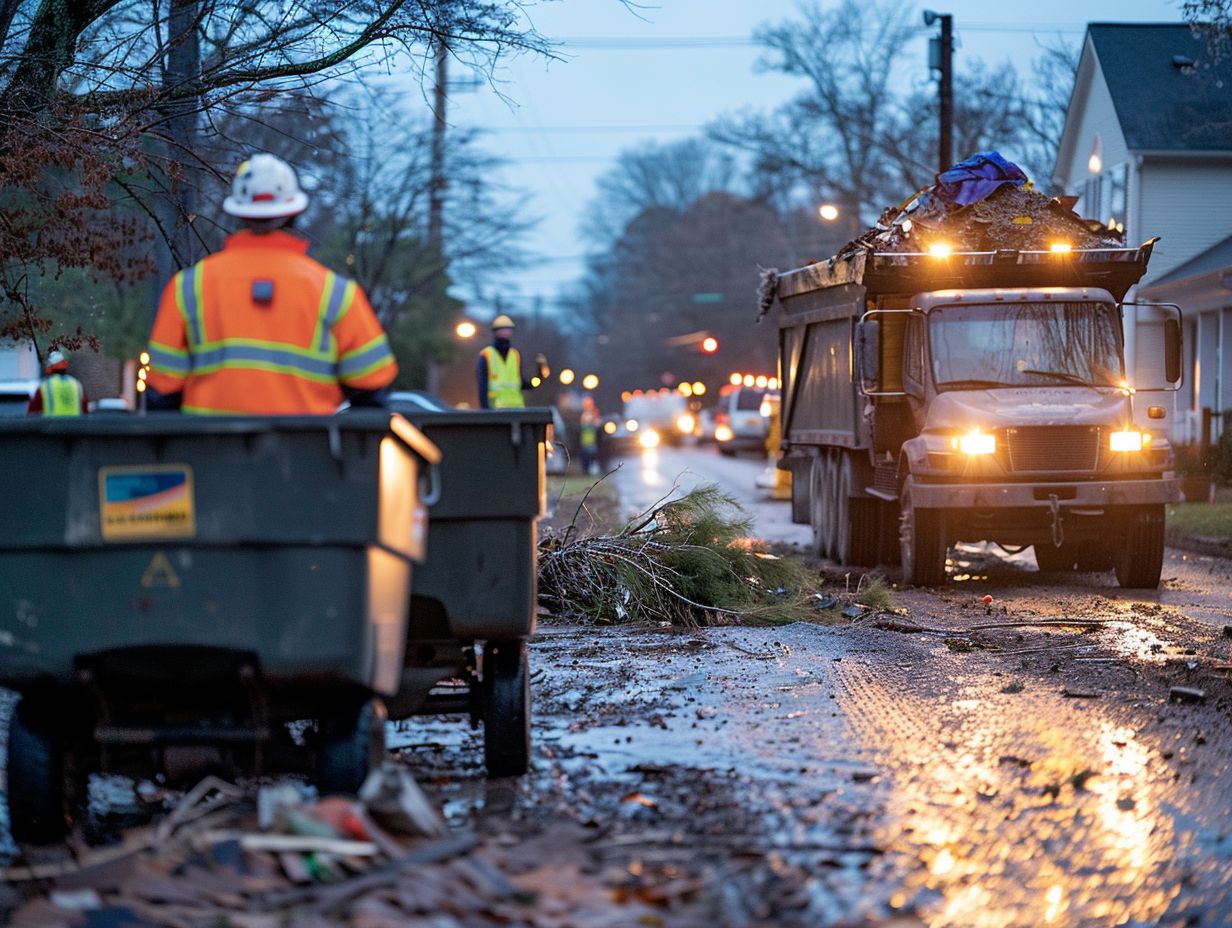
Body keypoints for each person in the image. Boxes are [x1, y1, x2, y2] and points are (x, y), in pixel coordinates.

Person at [145, 153, 397, 414]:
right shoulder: (337, 293)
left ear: (238, 213)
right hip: (308, 452)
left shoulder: (188, 288)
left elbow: (162, 393)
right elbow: (372, 392)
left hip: (209, 450)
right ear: (295, 213)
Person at [476, 315, 549, 409]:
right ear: (496, 331)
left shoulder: (515, 355)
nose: (506, 332)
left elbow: (524, 384)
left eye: (508, 329)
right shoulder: (486, 355)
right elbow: (482, 387)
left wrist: (540, 375)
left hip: (516, 411)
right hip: (496, 411)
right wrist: (486, 413)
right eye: (502, 329)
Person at [27, 350, 87, 416]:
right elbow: (85, 410)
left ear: (49, 368)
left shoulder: (45, 386)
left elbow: (32, 414)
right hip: (76, 426)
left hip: (51, 425)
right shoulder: (76, 385)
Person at [578, 395, 600, 475]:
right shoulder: (583, 414)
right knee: (585, 459)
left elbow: (597, 425)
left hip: (593, 442)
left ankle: (591, 471)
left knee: (592, 458)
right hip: (584, 442)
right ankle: (586, 471)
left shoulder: (594, 413)